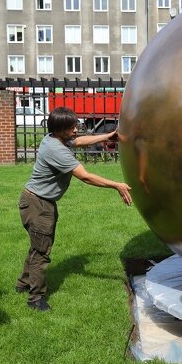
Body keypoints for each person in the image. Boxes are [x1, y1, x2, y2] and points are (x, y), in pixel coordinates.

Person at [16, 107, 132, 311]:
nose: (76, 130)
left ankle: (23, 283)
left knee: (37, 245)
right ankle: (35, 299)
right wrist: (117, 185)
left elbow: (79, 142)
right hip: (38, 204)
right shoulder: (57, 150)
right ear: (61, 130)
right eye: (72, 128)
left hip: (36, 201)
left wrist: (108, 135)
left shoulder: (54, 138)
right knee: (42, 251)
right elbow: (85, 176)